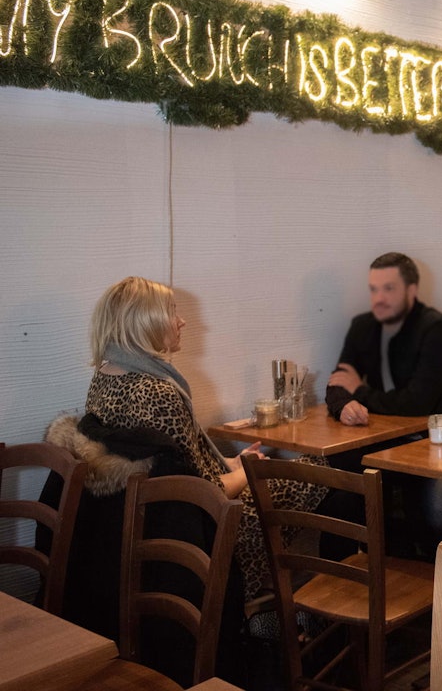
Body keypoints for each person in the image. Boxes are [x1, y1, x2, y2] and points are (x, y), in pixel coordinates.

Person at [41, 277, 329, 682]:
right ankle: (312, 620)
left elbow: (181, 462)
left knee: (298, 475)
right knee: (321, 478)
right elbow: (205, 491)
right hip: (192, 524)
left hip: (144, 518)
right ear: (145, 323)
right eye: (172, 313)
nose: (182, 323)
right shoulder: (158, 391)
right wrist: (247, 472)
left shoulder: (105, 375)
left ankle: (290, 615)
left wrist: (233, 461)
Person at [325, 252, 442, 549]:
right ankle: (341, 581)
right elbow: (337, 383)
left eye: (389, 288)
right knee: (334, 484)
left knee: (437, 511)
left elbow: (417, 403)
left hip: (433, 443)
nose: (379, 297)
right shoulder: (363, 326)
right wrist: (342, 405)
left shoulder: (435, 328)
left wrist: (359, 392)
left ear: (411, 290)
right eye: (374, 289)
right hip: (383, 441)